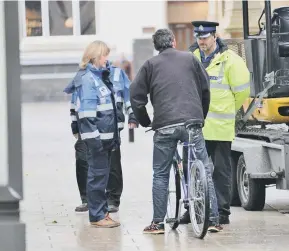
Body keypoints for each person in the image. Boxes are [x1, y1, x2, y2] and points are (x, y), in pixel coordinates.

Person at [130, 28, 222, 234]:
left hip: (164, 126)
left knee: (160, 174)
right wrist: (201, 116)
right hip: (192, 122)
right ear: (173, 41)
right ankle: (214, 220)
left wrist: (145, 121)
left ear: (156, 46)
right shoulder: (190, 59)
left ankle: (158, 223)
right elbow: (205, 88)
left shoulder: (149, 65)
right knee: (205, 169)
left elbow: (136, 95)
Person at [179, 21, 250, 225]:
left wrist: (228, 109)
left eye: (205, 37)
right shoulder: (189, 59)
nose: (201, 41)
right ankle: (193, 209)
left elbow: (242, 91)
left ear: (214, 37)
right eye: (198, 37)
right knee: (191, 169)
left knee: (220, 171)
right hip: (195, 124)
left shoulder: (231, 61)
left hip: (219, 127)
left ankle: (221, 212)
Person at [63, 40, 137, 227]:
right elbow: (87, 115)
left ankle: (102, 213)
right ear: (96, 57)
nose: (107, 59)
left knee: (102, 176)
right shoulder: (88, 79)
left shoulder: (100, 77)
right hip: (97, 140)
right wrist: (94, 139)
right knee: (97, 177)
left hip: (106, 138)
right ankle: (97, 216)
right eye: (105, 55)